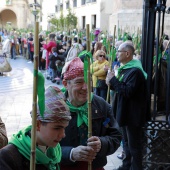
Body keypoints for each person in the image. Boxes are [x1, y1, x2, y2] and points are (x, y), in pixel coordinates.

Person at [60, 57, 122, 170]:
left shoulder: (101, 105)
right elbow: (41, 144)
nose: (85, 87)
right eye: (79, 82)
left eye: (88, 81)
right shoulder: (55, 107)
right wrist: (70, 153)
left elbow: (116, 136)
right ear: (65, 84)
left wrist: (101, 144)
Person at [0, 83, 71, 170]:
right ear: (37, 124)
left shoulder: (55, 150)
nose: (63, 134)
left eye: (64, 128)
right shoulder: (8, 157)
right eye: (57, 128)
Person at [106, 42, 148, 170]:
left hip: (132, 116)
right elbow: (121, 89)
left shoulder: (135, 71)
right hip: (125, 114)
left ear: (127, 53)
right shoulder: (126, 69)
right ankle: (126, 166)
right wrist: (110, 82)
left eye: (119, 51)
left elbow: (128, 91)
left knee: (134, 146)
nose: (117, 54)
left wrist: (113, 79)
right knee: (126, 144)